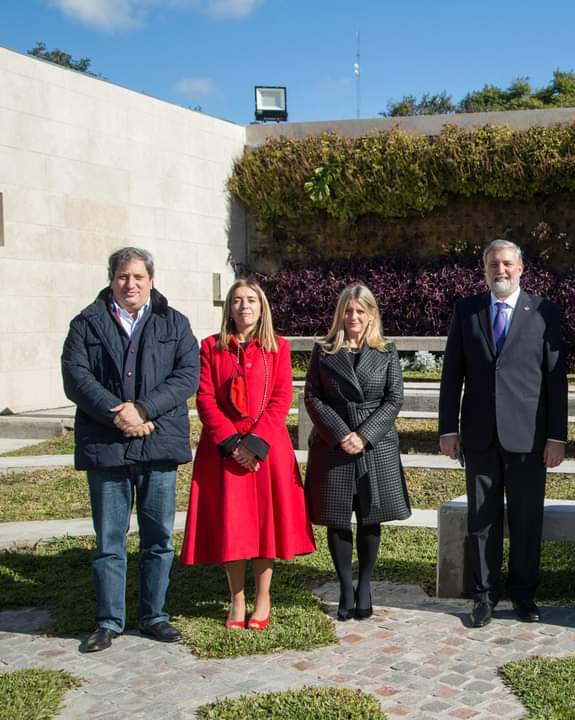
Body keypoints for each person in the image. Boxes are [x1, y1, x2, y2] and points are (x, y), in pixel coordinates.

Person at [61, 247, 198, 653]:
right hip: (107, 446)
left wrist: (144, 408)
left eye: (138, 277)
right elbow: (75, 375)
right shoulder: (86, 323)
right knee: (109, 540)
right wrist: (116, 413)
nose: (130, 284)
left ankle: (154, 615)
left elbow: (187, 374)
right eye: (123, 277)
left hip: (158, 445)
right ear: (111, 279)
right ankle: (108, 621)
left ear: (151, 280)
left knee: (158, 538)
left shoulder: (174, 323)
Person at [438, 239, 568, 628]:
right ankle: (484, 596)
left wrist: (557, 436)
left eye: (508, 264)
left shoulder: (544, 311)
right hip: (479, 436)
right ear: (485, 270)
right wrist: (448, 428)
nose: (502, 270)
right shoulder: (467, 311)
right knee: (483, 520)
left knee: (527, 520)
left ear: (521, 269)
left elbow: (555, 379)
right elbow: (451, 375)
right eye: (494, 264)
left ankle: (524, 596)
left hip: (529, 438)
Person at [179, 279, 316, 630]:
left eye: (251, 300)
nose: (244, 306)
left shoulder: (279, 348)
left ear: (262, 306)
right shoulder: (211, 347)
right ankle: (237, 598)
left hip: (265, 450)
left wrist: (255, 443)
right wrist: (231, 443)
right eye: (237, 300)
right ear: (229, 307)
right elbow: (205, 398)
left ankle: (264, 597)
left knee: (265, 526)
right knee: (233, 526)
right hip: (224, 452)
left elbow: (281, 397)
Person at [304, 283, 410, 621]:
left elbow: (394, 399)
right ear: (340, 313)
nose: (353, 316)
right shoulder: (324, 350)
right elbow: (312, 397)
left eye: (360, 311)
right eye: (348, 310)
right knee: (337, 519)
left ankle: (365, 586)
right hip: (333, 445)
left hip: (374, 445)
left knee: (370, 516)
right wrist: (340, 434)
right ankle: (345, 587)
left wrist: (364, 435)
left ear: (371, 314)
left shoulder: (387, 351)